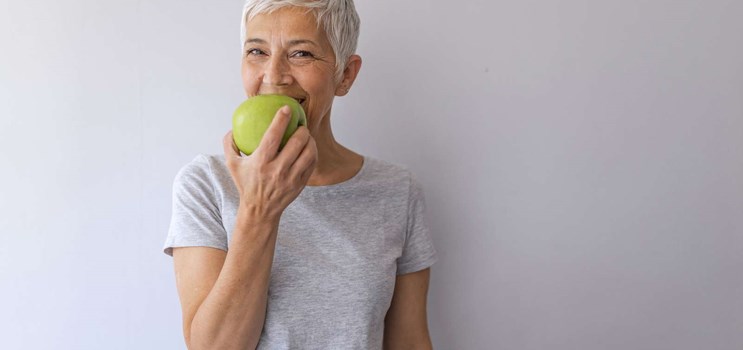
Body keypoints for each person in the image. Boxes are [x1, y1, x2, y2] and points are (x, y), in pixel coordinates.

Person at [162, 0, 439, 348]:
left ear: (346, 74)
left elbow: (410, 342)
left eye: (302, 54)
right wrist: (259, 211)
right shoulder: (204, 184)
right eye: (257, 50)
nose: (274, 75)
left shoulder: (398, 191)